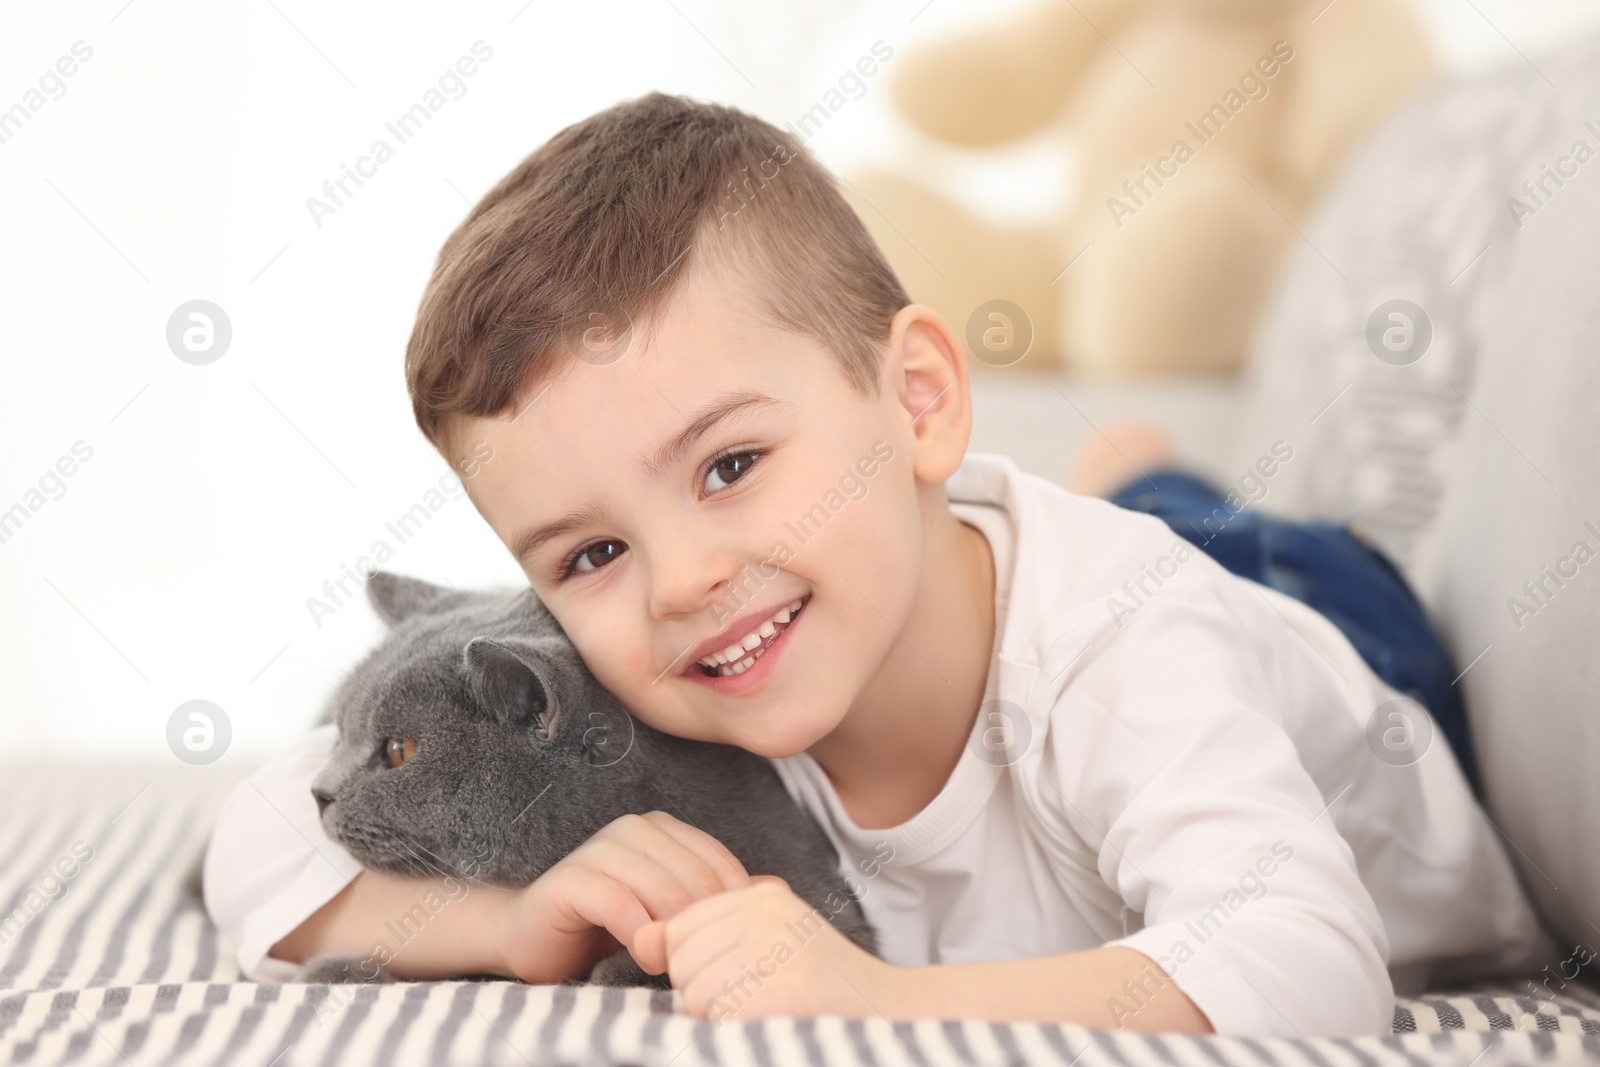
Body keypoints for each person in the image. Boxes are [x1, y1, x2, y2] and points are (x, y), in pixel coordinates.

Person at [202, 93, 1551, 1037]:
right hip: (985, 561)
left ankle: (1143, 480)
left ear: (916, 399)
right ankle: (1134, 485)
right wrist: (510, 927)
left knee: (1216, 553)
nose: (680, 580)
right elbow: (266, 828)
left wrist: (876, 998)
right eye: (595, 550)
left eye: (731, 465)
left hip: (1338, 639)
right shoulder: (669, 667)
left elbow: (1305, 965)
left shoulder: (1123, 657)